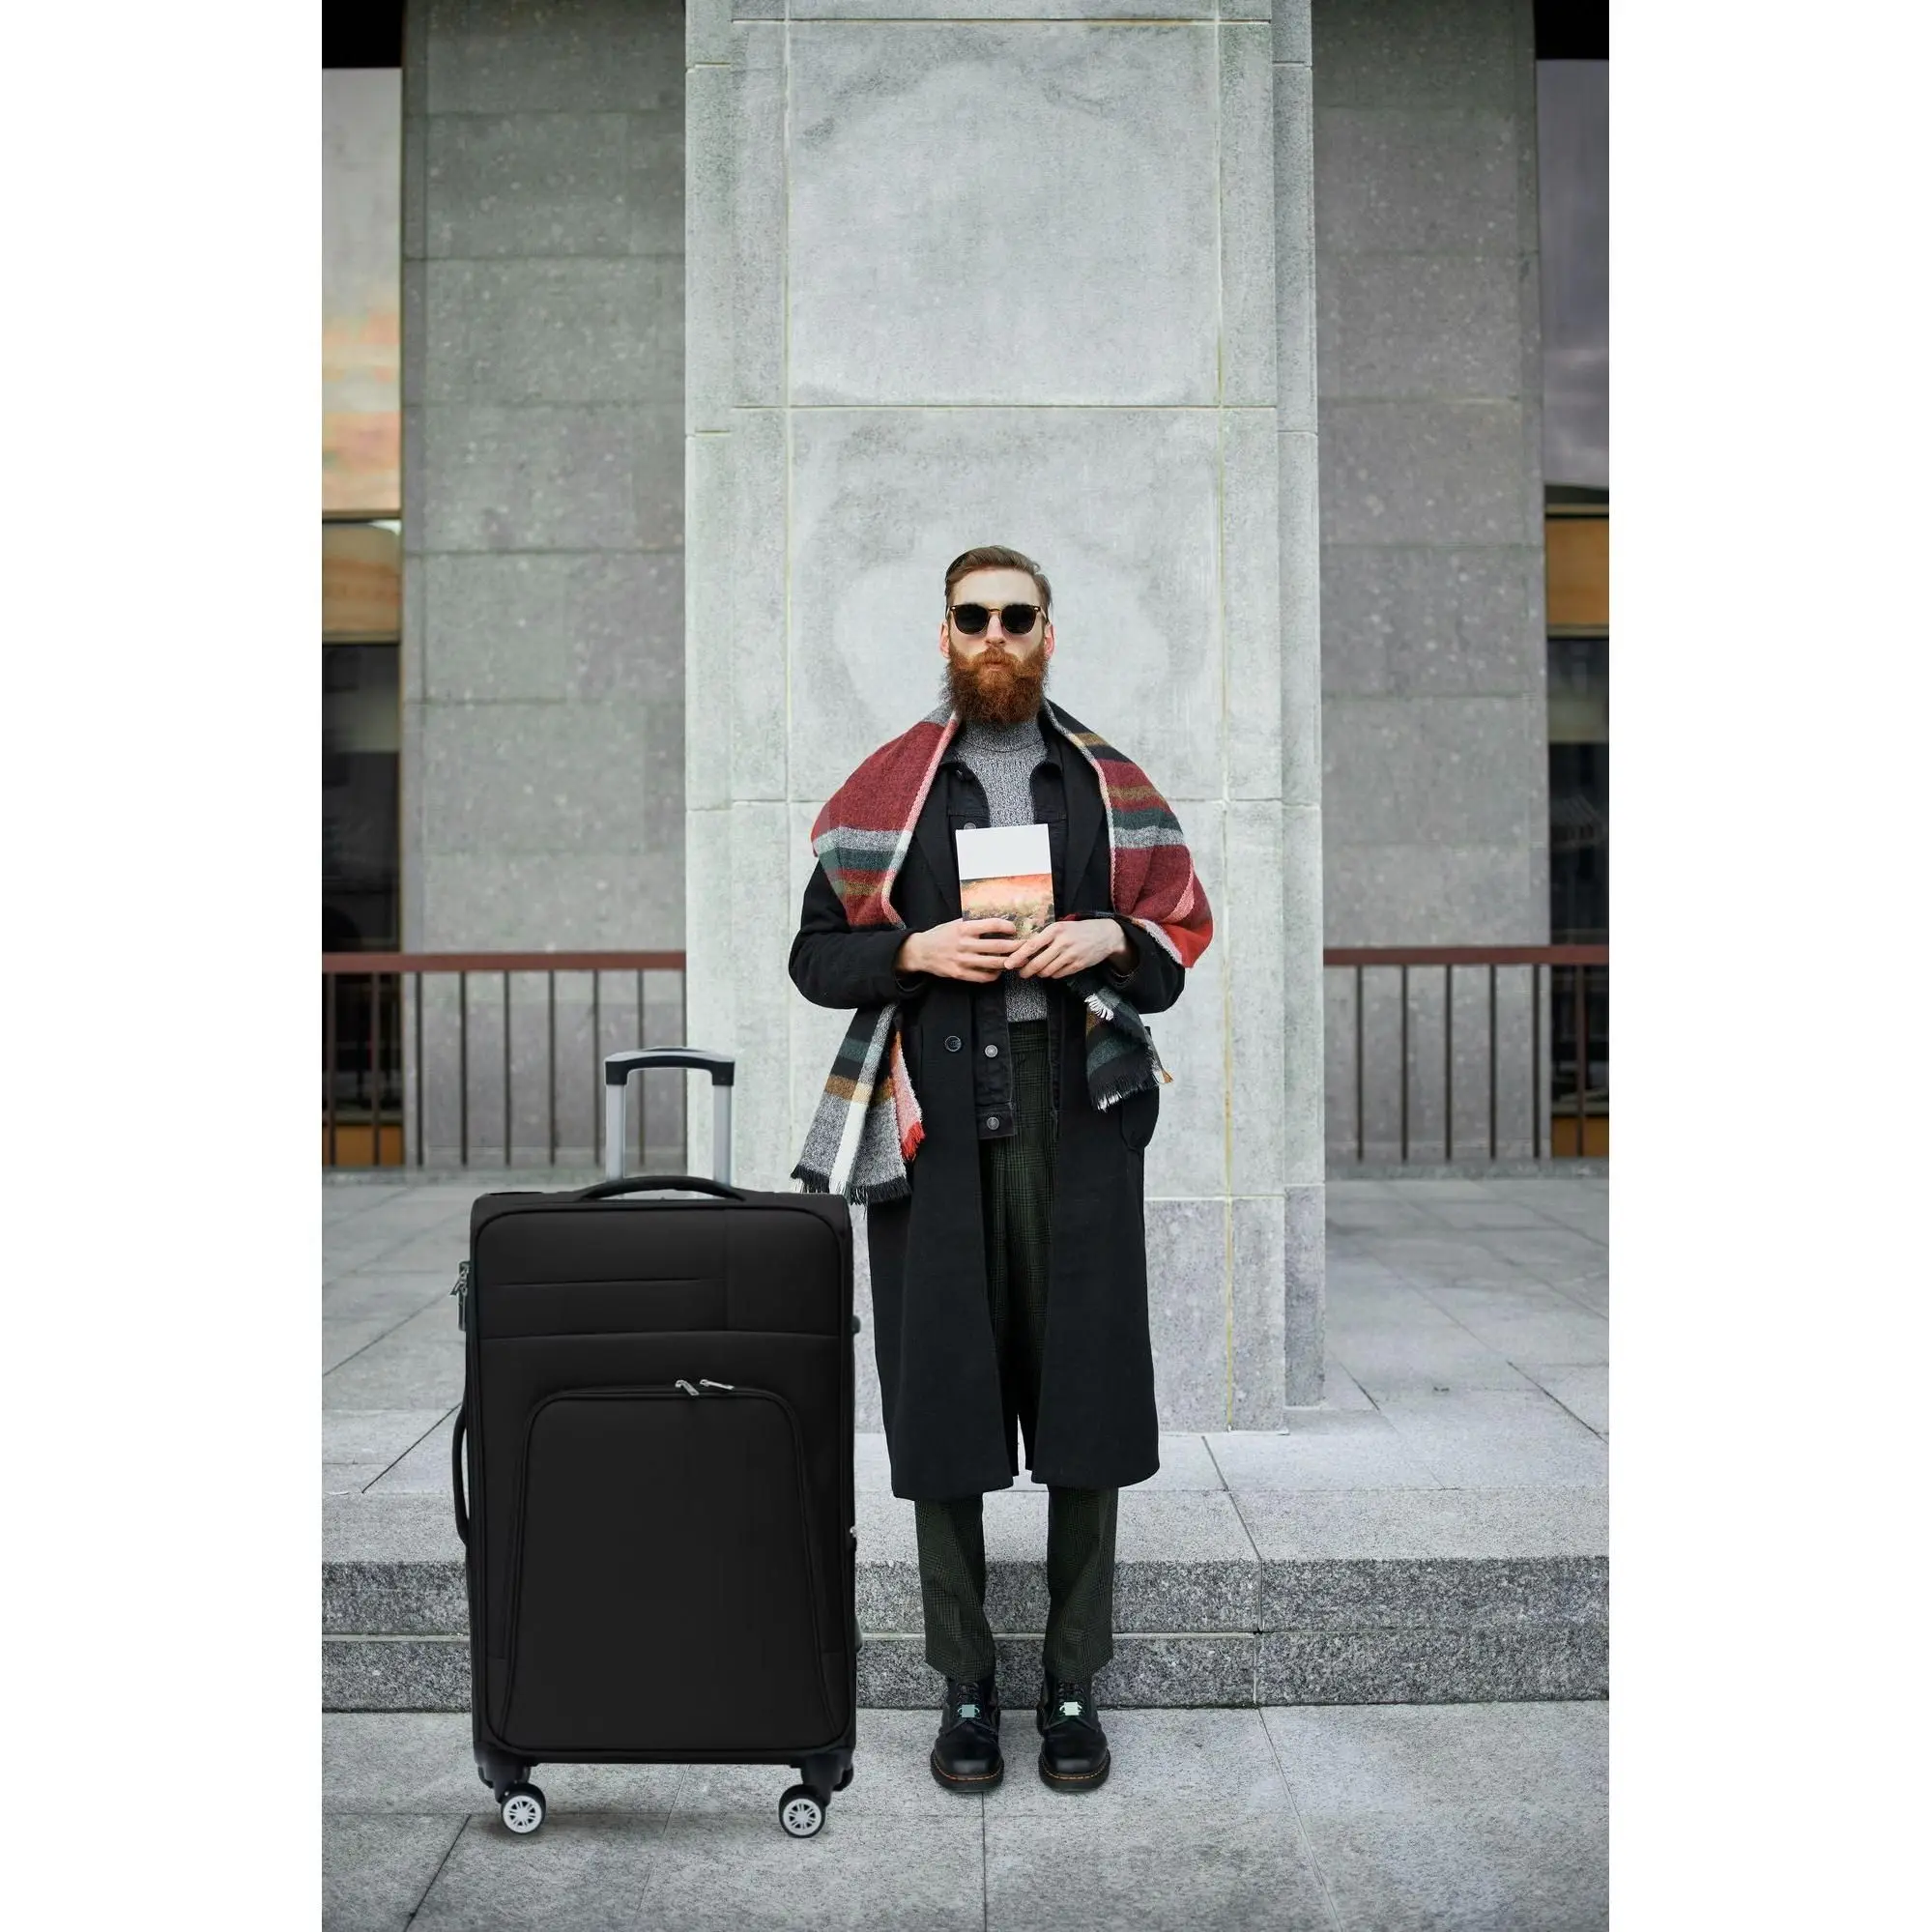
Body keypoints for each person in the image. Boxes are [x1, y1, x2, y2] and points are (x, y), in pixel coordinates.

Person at [788, 544, 1213, 1794]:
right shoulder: (890, 791)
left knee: (1089, 1398)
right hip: (932, 1123)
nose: (993, 636)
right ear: (943, 634)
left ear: (1046, 635)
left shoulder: (1106, 786)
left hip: (1078, 1113)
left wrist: (1112, 935)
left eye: (1015, 617)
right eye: (970, 617)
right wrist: (914, 950)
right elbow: (815, 959)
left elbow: (1172, 952)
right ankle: (964, 1684)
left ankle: (1072, 1682)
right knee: (943, 1399)